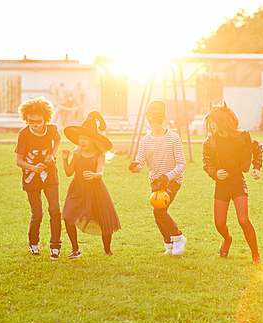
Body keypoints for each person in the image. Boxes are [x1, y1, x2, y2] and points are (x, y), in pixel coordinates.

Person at [202, 101, 263, 265]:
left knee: (243, 220)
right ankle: (227, 239)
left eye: (213, 122)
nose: (211, 125)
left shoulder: (241, 136)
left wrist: (256, 168)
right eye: (210, 123)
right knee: (219, 223)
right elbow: (207, 164)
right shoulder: (210, 142)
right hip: (221, 186)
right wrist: (215, 173)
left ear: (222, 121)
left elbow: (257, 148)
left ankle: (256, 256)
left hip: (237, 183)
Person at [129, 100, 187, 256]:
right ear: (147, 119)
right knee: (158, 214)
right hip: (155, 182)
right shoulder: (145, 141)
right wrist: (136, 167)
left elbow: (182, 164)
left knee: (159, 212)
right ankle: (168, 243)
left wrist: (167, 177)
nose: (154, 122)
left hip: (172, 181)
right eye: (151, 119)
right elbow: (141, 161)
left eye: (158, 118)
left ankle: (178, 237)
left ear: (164, 118)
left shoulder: (174, 138)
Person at [62, 111, 120, 258]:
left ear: (93, 140)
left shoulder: (99, 155)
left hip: (95, 189)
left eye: (85, 138)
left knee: (104, 219)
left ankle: (108, 250)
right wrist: (64, 160)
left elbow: (100, 172)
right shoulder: (76, 153)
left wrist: (94, 175)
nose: (82, 141)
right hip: (77, 188)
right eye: (80, 138)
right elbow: (69, 172)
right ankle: (75, 250)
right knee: (68, 216)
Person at [15, 97, 62, 260]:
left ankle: (55, 246)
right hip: (31, 177)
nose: (34, 124)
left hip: (49, 174)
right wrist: (33, 168)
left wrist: (52, 155)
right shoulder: (23, 134)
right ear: (26, 119)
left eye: (38, 121)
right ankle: (33, 243)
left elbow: (57, 140)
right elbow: (18, 161)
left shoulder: (52, 129)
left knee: (55, 210)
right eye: (31, 121)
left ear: (45, 119)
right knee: (38, 214)